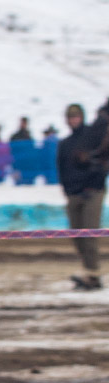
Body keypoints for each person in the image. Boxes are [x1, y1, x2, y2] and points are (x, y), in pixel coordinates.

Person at [58, 101, 108, 290]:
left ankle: (93, 274)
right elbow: (62, 168)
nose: (73, 120)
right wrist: (68, 190)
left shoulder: (93, 135)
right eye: (70, 117)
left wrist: (93, 187)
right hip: (73, 194)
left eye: (76, 116)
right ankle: (88, 271)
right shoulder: (65, 144)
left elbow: (102, 163)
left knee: (89, 233)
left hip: (92, 192)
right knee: (77, 234)